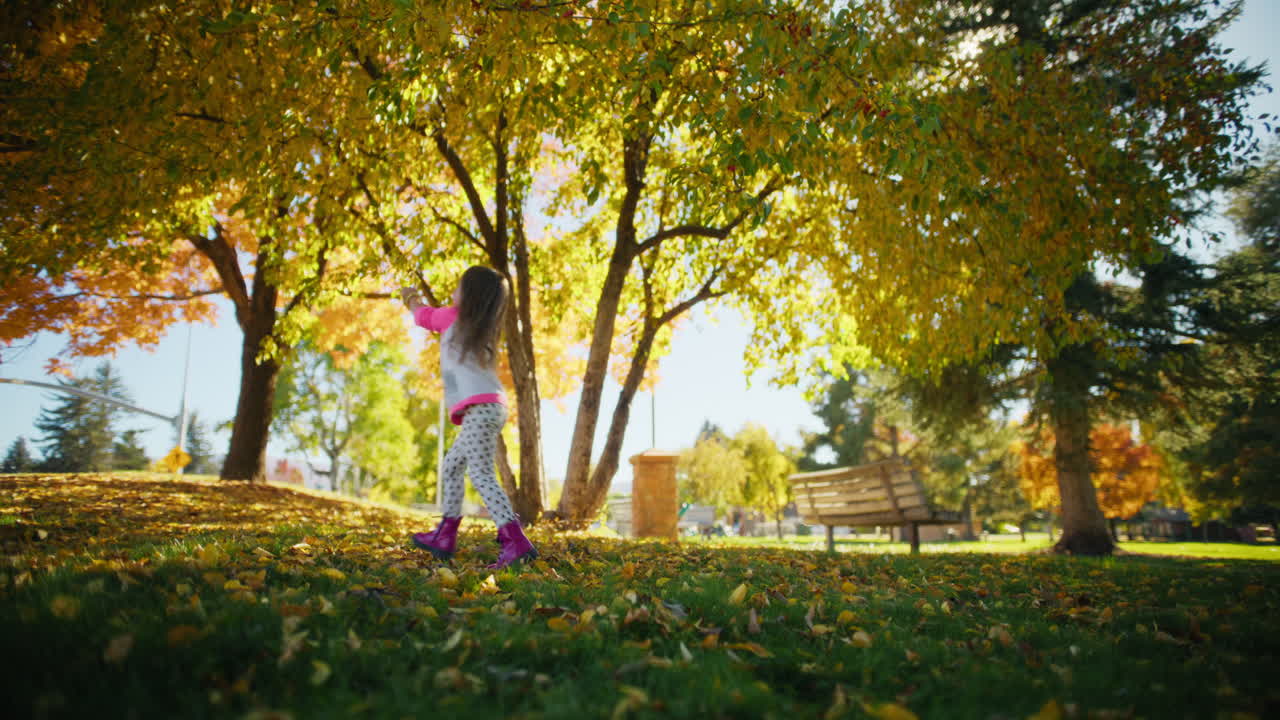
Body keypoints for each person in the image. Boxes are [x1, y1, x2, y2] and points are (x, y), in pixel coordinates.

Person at [400, 266, 538, 569]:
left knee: (481, 474)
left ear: (470, 295)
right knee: (452, 466)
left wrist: (411, 298)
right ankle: (445, 535)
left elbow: (423, 316)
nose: (454, 291)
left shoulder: (454, 318)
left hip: (482, 408)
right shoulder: (481, 329)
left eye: (459, 286)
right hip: (489, 407)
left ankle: (515, 541)